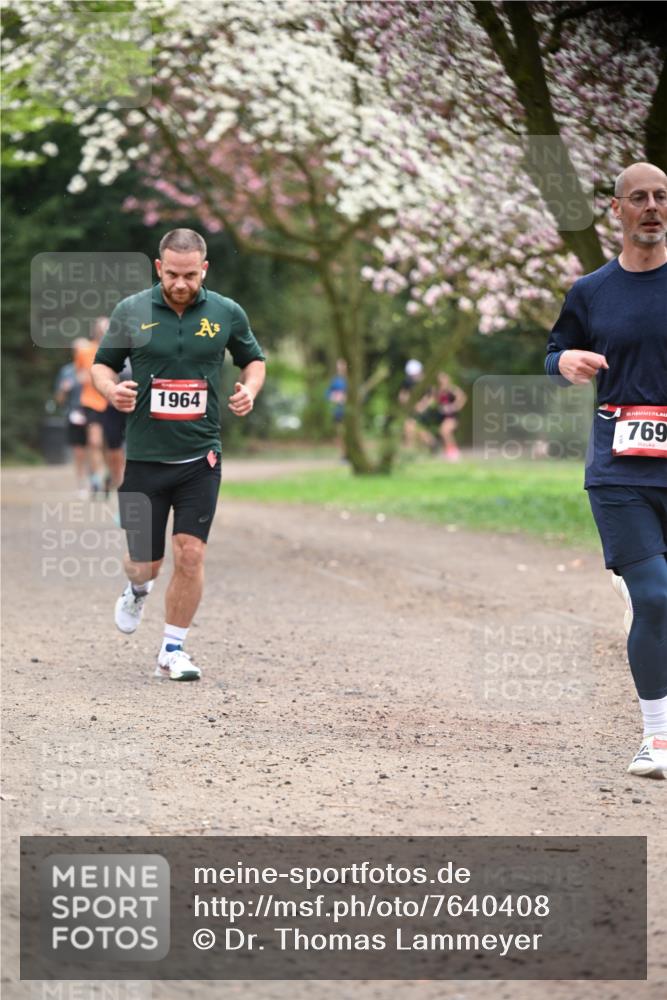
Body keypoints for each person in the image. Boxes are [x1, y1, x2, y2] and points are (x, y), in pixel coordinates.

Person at [91, 228, 266, 682]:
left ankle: (172, 649)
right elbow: (102, 364)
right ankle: (136, 589)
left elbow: (254, 359)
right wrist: (112, 391)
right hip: (145, 459)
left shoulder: (227, 312)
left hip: (200, 458)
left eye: (190, 275)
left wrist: (249, 388)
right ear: (158, 268)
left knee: (190, 554)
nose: (181, 283)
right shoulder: (131, 310)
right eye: (172, 274)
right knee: (143, 562)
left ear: (203, 269)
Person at [545, 161, 667, 778]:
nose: (652, 206)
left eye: (661, 197)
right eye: (639, 198)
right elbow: (554, 349)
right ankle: (657, 739)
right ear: (616, 211)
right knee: (656, 596)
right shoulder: (590, 292)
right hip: (620, 468)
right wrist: (563, 360)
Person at [53, 340, 89, 497]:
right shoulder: (67, 371)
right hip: (74, 414)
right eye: (76, 350)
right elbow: (59, 399)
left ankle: (97, 481)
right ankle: (81, 484)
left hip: (94, 412)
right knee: (79, 451)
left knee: (96, 447)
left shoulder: (94, 369)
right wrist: (63, 389)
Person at [434, 371, 467, 461]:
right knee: (445, 432)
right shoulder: (438, 391)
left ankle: (453, 452)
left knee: (444, 431)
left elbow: (463, 398)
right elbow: (437, 402)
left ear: (447, 379)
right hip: (442, 417)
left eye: (443, 378)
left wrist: (455, 407)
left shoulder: (452, 389)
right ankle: (450, 451)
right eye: (440, 379)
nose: (441, 380)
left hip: (452, 416)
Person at [326, 359, 347, 458]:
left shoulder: (352, 380)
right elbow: (328, 395)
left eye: (343, 365)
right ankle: (343, 455)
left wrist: (347, 398)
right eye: (339, 365)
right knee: (340, 434)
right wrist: (335, 397)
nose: (341, 367)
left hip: (350, 413)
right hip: (338, 411)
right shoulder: (335, 381)